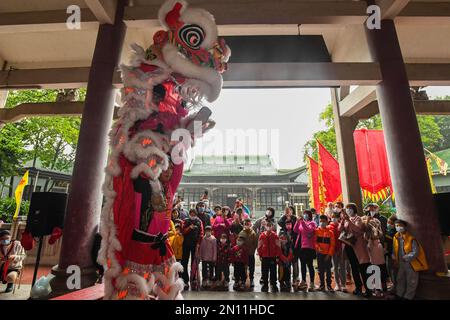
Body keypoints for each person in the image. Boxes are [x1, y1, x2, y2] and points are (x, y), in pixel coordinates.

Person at [341, 203, 372, 298]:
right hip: (349, 246)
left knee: (363, 268)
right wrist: (342, 222)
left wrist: (348, 221)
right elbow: (340, 229)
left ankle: (368, 290)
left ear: (354, 209)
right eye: (347, 209)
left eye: (350, 209)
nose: (348, 211)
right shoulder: (346, 220)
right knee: (354, 268)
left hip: (359, 247)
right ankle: (358, 288)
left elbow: (358, 229)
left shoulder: (359, 219)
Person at [392, 219, 428, 300]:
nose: (398, 227)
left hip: (411, 263)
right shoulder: (396, 237)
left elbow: (416, 252)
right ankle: (399, 294)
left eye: (400, 225)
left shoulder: (411, 238)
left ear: (405, 226)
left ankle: (408, 297)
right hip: (400, 263)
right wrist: (394, 258)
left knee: (411, 281)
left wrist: (407, 257)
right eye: (396, 226)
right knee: (400, 279)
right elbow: (394, 249)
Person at [363, 214, 388, 297]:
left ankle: (377, 290)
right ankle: (383, 290)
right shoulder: (379, 241)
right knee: (382, 272)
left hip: (374, 261)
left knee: (375, 273)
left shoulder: (369, 240)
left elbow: (368, 247)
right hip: (380, 260)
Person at [293, 210, 317, 292]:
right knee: (302, 265)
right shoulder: (302, 222)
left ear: (309, 215)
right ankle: (303, 281)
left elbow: (308, 230)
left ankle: (312, 283)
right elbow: (295, 230)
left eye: (306, 214)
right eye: (304, 214)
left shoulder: (312, 223)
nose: (305, 215)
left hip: (309, 247)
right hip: (301, 246)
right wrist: (297, 221)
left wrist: (302, 222)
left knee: (309, 265)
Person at [181, 209, 204, 289]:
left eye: (194, 213)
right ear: (189, 214)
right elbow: (183, 231)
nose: (192, 215)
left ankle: (193, 279)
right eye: (191, 213)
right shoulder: (185, 221)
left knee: (194, 263)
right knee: (184, 262)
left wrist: (198, 243)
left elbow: (201, 233)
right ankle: (185, 280)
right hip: (186, 244)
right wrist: (189, 228)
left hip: (195, 245)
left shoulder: (199, 221)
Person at [257, 221, 280, 293]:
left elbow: (278, 246)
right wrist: (260, 255)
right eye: (267, 225)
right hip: (264, 256)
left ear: (272, 226)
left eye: (270, 226)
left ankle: (274, 284)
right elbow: (259, 246)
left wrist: (277, 256)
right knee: (264, 271)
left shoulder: (275, 235)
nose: (269, 227)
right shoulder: (262, 235)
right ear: (265, 226)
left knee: (273, 271)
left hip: (273, 256)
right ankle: (265, 284)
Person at [315, 215, 335, 292]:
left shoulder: (330, 232)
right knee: (320, 270)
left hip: (327, 255)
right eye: (321, 221)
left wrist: (329, 254)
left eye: (324, 221)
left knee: (328, 270)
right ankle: (322, 285)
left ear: (327, 222)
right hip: (319, 254)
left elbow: (332, 245)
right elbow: (315, 242)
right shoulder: (316, 231)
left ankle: (329, 285)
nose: (322, 223)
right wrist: (318, 248)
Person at [328, 212, 347, 292]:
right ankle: (337, 284)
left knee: (342, 267)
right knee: (335, 267)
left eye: (336, 217)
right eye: (333, 217)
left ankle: (343, 284)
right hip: (333, 250)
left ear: (339, 218)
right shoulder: (329, 227)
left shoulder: (341, 225)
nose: (334, 219)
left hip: (341, 249)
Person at [238, 218, 258, 288]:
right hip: (244, 254)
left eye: (248, 224)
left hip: (251, 253)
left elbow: (255, 243)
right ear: (243, 225)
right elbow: (239, 243)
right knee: (243, 267)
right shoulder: (241, 233)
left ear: (251, 225)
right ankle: (243, 279)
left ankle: (251, 279)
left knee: (251, 267)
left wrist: (252, 250)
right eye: (245, 224)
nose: (247, 226)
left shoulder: (253, 233)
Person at [384, 214, 398, 290]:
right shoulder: (388, 231)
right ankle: (394, 284)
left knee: (393, 271)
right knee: (389, 270)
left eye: (390, 223)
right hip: (388, 253)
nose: (388, 224)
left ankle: (396, 286)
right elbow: (386, 241)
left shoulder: (396, 232)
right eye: (388, 222)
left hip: (393, 254)